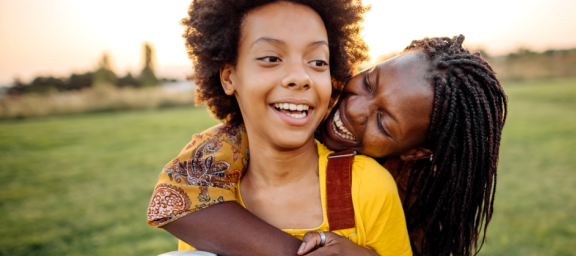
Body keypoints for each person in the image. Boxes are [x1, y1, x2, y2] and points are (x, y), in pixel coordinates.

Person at [147, 0, 412, 255]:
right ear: (229, 77)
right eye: (271, 58)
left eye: (318, 62)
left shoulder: (368, 187)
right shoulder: (205, 197)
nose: (300, 77)